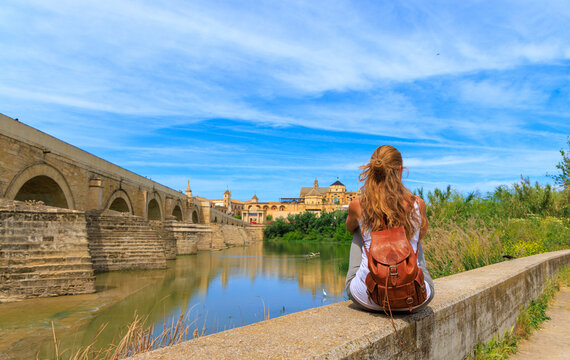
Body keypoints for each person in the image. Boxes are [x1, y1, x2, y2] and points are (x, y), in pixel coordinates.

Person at [344, 145, 434, 312]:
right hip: (415, 298)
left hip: (367, 297)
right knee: (414, 241)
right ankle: (410, 282)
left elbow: (349, 228)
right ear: (400, 170)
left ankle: (366, 280)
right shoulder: (418, 204)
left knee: (357, 231)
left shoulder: (358, 205)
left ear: (373, 170)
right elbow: (421, 236)